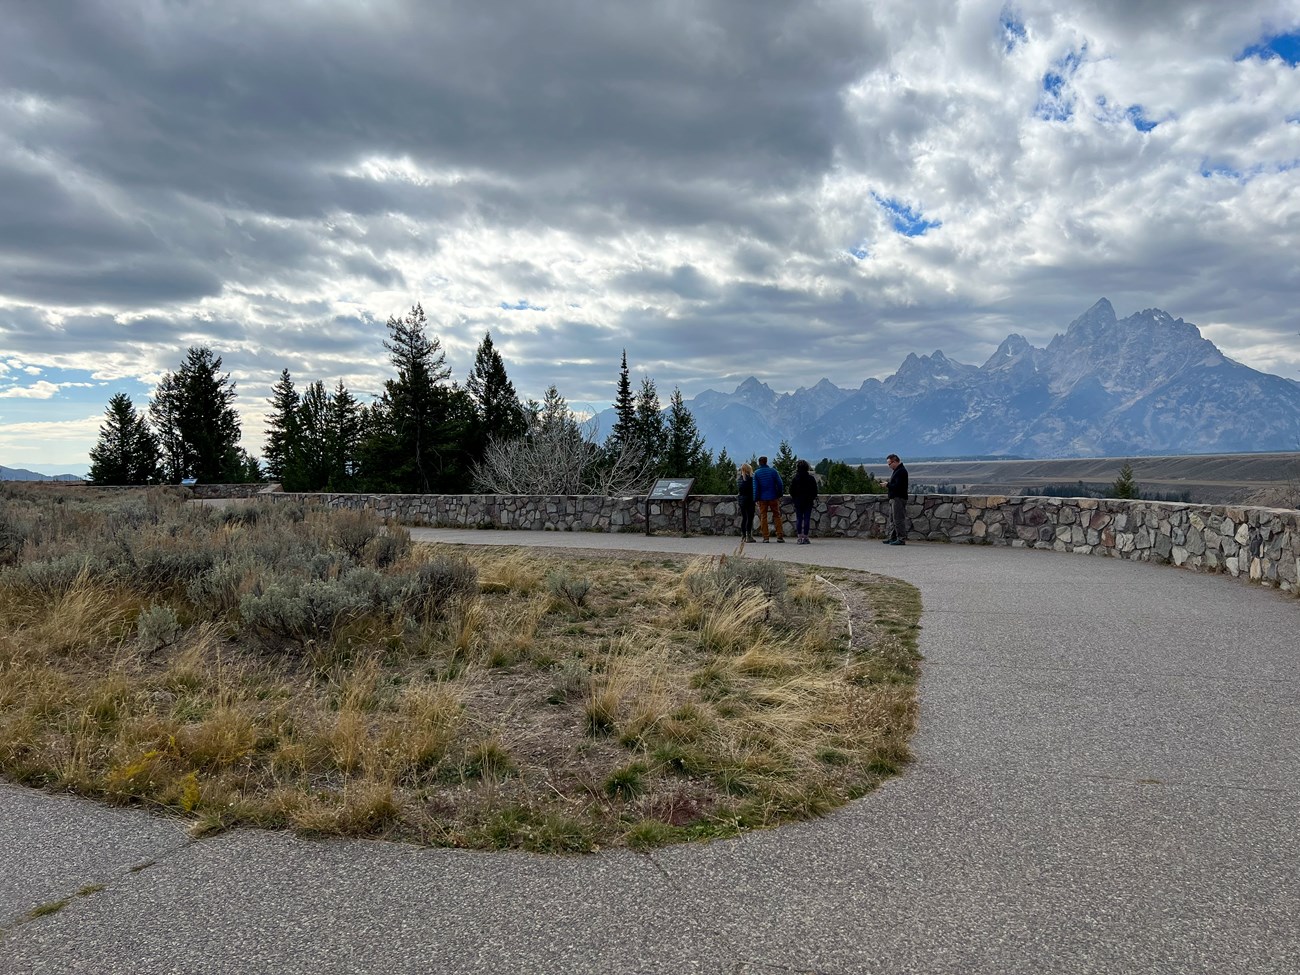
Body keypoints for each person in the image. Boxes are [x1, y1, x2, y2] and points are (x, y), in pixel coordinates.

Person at [752, 455, 785, 542]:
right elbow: (780, 484)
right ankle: (780, 536)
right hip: (773, 497)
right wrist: (779, 494)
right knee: (777, 515)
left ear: (759, 463)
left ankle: (765, 537)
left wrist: (755, 499)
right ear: (766, 462)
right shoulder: (773, 471)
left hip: (762, 498)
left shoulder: (756, 473)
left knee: (763, 517)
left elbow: (755, 488)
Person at [789, 458, 819, 544]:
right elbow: (815, 491)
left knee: (799, 519)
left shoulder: (795, 479)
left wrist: (795, 498)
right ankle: (805, 537)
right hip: (808, 501)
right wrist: (812, 498)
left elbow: (791, 491)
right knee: (806, 519)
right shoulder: (811, 478)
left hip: (798, 501)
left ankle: (799, 537)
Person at [884, 453, 909, 545]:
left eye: (889, 464)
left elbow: (897, 486)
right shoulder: (897, 471)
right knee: (892, 519)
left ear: (894, 461)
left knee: (898, 519)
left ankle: (901, 538)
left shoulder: (901, 471)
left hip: (898, 498)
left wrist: (887, 485)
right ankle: (892, 537)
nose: (889, 466)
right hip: (894, 498)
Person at [736, 463, 756, 542]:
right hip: (750, 499)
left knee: (744, 518)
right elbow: (753, 489)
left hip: (742, 500)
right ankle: (749, 536)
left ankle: (743, 536)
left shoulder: (739, 479)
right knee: (750, 518)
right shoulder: (751, 479)